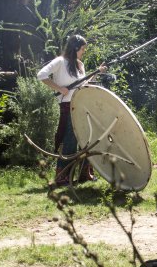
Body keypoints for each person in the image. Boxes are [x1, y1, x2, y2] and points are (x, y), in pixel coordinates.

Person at [37, 34, 107, 186]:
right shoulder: (60, 62)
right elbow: (41, 75)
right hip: (68, 106)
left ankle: (84, 174)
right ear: (75, 48)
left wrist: (96, 73)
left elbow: (82, 84)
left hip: (82, 105)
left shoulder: (80, 64)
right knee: (70, 140)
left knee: (87, 139)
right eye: (82, 49)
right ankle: (62, 177)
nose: (83, 52)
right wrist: (59, 88)